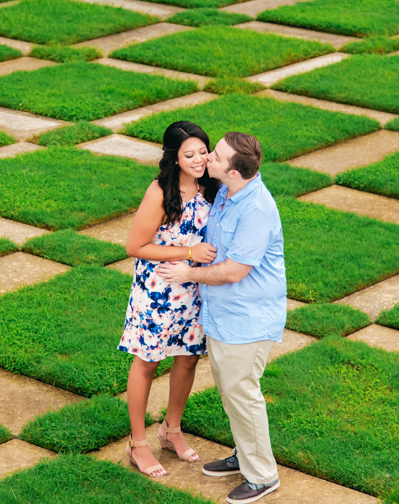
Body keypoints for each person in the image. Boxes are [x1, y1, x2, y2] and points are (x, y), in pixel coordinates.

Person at [157, 132, 286, 503]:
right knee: (232, 394)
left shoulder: (255, 209)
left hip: (247, 320)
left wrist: (187, 274)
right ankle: (246, 456)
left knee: (243, 395)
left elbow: (233, 271)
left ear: (233, 172)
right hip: (225, 316)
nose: (207, 158)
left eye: (215, 156)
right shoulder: (229, 193)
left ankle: (262, 476)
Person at [118, 121, 220, 478]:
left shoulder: (211, 186)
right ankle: (138, 443)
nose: (198, 159)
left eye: (203, 152)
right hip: (158, 291)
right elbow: (135, 247)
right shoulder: (160, 192)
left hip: (194, 288)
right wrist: (189, 250)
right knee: (147, 362)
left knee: (188, 359)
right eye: (189, 154)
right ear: (174, 158)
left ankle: (171, 430)